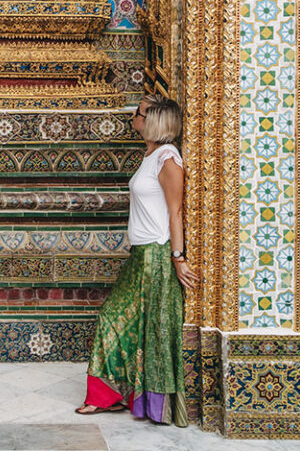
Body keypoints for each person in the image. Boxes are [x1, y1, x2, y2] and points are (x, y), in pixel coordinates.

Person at [75, 96, 197, 426]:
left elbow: (176, 212)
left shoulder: (168, 159)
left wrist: (178, 258)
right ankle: (112, 396)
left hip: (157, 256)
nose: (134, 117)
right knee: (120, 320)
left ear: (155, 120)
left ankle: (132, 401)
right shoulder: (150, 155)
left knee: (141, 326)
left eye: (139, 113)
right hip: (140, 254)